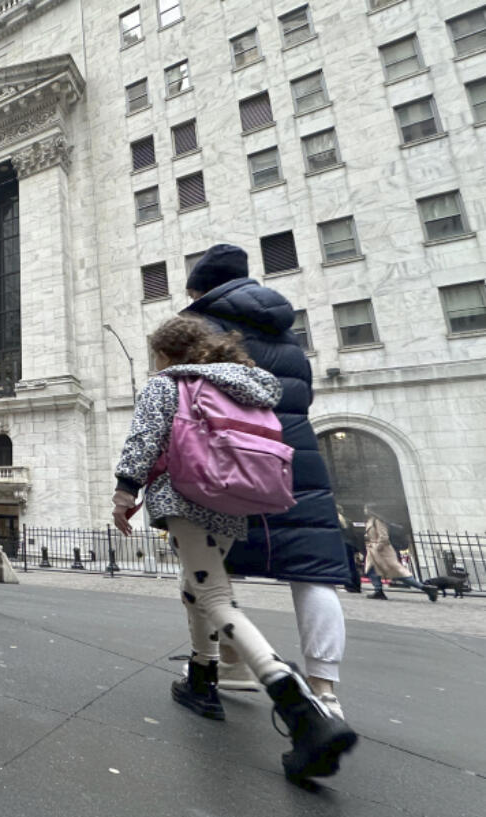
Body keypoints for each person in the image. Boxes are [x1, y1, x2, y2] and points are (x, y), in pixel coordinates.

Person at [113, 316, 357, 783]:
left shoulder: (170, 382)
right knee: (200, 583)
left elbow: (144, 439)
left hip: (186, 492)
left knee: (215, 596)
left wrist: (125, 493)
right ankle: (202, 678)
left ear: (165, 354)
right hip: (236, 497)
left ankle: (300, 707)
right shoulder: (242, 383)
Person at [181, 244, 352, 719]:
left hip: (227, 459)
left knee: (208, 569)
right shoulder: (286, 330)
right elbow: (305, 393)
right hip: (293, 454)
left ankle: (227, 661)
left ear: (200, 289)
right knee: (313, 570)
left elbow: (187, 397)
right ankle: (326, 691)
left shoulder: (203, 327)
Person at [363, 504, 438, 601]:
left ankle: (425, 588)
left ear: (370, 510)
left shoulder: (377, 521)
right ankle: (378, 590)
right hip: (374, 552)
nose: (364, 510)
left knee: (398, 574)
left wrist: (377, 547)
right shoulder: (371, 521)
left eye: (365, 508)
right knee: (372, 570)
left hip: (382, 552)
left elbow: (384, 537)